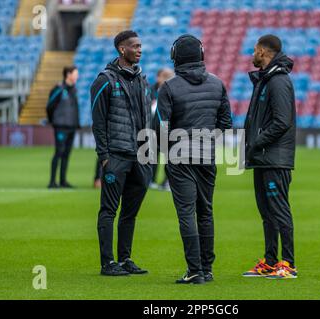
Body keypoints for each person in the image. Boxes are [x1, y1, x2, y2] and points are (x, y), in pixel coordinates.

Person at [156, 35, 232, 284]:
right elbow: (225, 124)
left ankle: (195, 270)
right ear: (200, 55)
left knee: (186, 213)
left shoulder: (168, 88)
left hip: (179, 158)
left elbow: (163, 128)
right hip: (206, 156)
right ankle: (207, 269)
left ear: (176, 57)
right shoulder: (218, 84)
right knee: (205, 212)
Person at [91, 30, 152, 276]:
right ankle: (108, 263)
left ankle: (125, 259)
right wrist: (104, 156)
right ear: (121, 49)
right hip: (116, 157)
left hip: (140, 157)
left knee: (130, 212)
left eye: (140, 45)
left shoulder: (142, 79)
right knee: (108, 210)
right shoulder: (104, 80)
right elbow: (98, 122)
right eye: (135, 46)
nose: (139, 49)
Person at [242, 35, 298, 279]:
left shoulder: (278, 81)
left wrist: (256, 142)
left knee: (279, 210)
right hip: (264, 157)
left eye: (254, 50)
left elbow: (282, 121)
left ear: (263, 51)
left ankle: (288, 263)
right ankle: (271, 261)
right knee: (267, 212)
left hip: (275, 158)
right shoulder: (265, 80)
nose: (252, 54)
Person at [46, 65, 80, 189]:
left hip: (71, 126)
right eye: (76, 74)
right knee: (59, 152)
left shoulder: (74, 90)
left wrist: (77, 123)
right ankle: (52, 182)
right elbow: (49, 106)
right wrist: (53, 121)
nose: (77, 76)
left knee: (66, 153)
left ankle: (63, 181)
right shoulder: (58, 89)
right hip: (60, 126)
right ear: (68, 74)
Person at [149, 67, 174, 191]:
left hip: (169, 128)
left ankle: (167, 181)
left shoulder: (174, 90)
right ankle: (151, 180)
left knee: (170, 156)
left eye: (169, 77)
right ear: (158, 77)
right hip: (152, 128)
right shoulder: (149, 91)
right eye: (164, 77)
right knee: (152, 155)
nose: (166, 80)